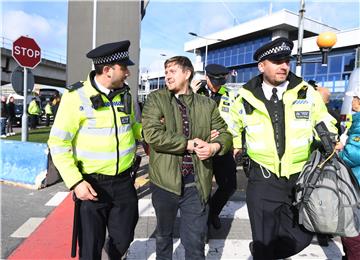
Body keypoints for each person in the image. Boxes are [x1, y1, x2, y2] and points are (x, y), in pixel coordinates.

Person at [228, 37, 338, 259]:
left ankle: (265, 253)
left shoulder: (306, 92)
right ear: (262, 66)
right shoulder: (245, 97)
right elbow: (232, 127)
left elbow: (324, 120)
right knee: (264, 239)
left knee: (303, 235)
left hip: (300, 178)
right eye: (277, 61)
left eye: (286, 60)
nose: (284, 66)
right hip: (263, 176)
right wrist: (233, 146)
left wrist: (331, 137)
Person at [48, 40, 142, 260]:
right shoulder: (75, 97)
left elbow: (133, 127)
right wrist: (75, 182)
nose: (128, 72)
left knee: (124, 238)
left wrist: (153, 132)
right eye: (124, 67)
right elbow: (58, 143)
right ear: (108, 70)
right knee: (89, 249)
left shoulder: (125, 95)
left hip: (124, 182)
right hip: (91, 185)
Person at [142, 56, 232, 259]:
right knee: (163, 237)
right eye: (166, 72)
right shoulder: (156, 99)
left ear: (187, 73)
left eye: (172, 71)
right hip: (164, 183)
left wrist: (213, 146)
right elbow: (153, 135)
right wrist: (190, 144)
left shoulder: (207, 105)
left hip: (196, 184)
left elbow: (225, 134)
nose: (167, 76)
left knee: (195, 244)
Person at [192, 64, 237, 230]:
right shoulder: (195, 93)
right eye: (214, 81)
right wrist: (190, 93)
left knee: (229, 185)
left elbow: (235, 120)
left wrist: (235, 144)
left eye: (220, 81)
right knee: (201, 189)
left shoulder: (229, 95)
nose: (217, 85)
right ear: (206, 77)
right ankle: (202, 227)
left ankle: (212, 212)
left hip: (222, 147)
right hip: (200, 147)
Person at [336, 87, 360, 260]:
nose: (351, 102)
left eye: (354, 98)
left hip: (356, 180)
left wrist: (338, 152)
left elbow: (354, 154)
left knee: (352, 228)